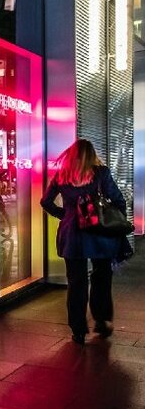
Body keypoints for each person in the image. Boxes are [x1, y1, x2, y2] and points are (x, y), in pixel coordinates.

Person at [40, 139, 131, 344]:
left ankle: (78, 330)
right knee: (102, 277)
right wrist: (114, 222)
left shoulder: (62, 176)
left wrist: (66, 214)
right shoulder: (101, 173)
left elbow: (45, 202)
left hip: (71, 235)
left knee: (76, 282)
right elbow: (119, 200)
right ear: (91, 155)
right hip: (99, 233)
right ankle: (101, 320)